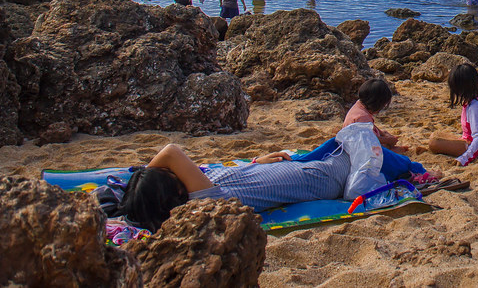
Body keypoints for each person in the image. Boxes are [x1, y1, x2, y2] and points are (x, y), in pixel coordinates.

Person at [114, 142, 351, 232]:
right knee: (362, 143)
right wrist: (144, 176)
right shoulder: (204, 200)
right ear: (173, 191)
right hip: (322, 178)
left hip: (299, 167)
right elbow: (170, 151)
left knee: (344, 141)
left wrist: (257, 162)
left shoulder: (198, 186)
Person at [344, 79, 435, 184]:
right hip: (366, 155)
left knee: (396, 157)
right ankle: (424, 172)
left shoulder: (358, 107)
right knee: (404, 164)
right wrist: (388, 140)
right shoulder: (362, 117)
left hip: (361, 149)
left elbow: (370, 128)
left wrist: (383, 134)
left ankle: (393, 152)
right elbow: (371, 140)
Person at [428, 64, 478, 166]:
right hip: (469, 141)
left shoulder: (474, 108)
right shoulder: (477, 98)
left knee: (434, 142)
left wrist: (464, 158)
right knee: (436, 135)